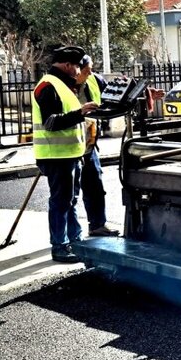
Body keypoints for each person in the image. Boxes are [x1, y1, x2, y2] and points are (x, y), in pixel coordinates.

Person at [32, 46, 98, 263]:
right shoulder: (48, 86)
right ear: (68, 65)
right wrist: (80, 113)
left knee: (70, 200)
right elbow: (50, 122)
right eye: (78, 67)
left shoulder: (62, 85)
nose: (79, 71)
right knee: (61, 202)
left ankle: (75, 240)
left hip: (69, 154)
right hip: (56, 156)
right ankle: (59, 246)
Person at [75, 55, 118, 237]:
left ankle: (97, 224)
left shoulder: (94, 80)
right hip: (68, 146)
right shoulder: (60, 86)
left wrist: (143, 94)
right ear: (75, 70)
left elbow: (114, 97)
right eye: (87, 71)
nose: (90, 73)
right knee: (67, 195)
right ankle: (69, 235)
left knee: (95, 185)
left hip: (89, 144)